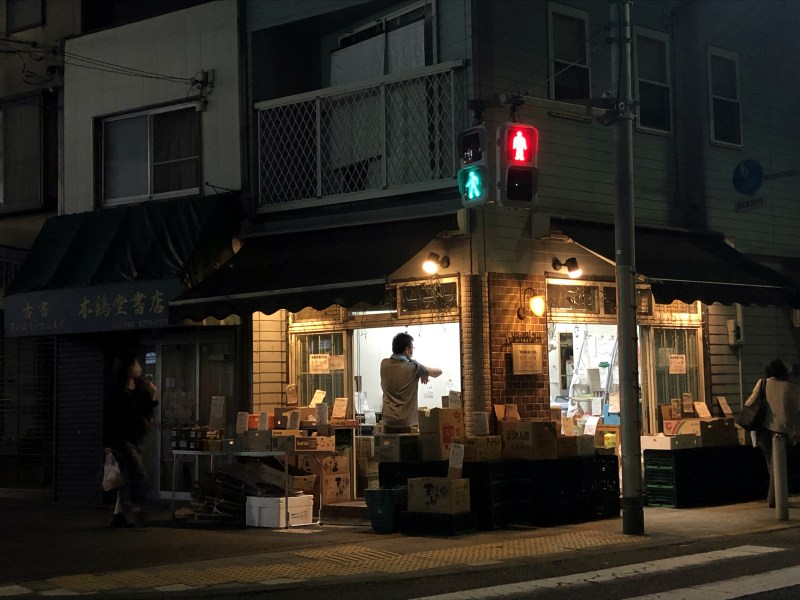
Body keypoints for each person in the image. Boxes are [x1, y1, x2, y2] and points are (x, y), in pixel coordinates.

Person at [103, 357, 158, 527]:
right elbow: (110, 417)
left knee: (128, 476)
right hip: (122, 439)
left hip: (136, 437)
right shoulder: (118, 391)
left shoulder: (139, 387)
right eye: (133, 363)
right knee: (139, 474)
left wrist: (153, 393)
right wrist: (108, 444)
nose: (137, 367)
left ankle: (123, 514)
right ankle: (136, 507)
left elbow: (146, 409)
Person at [744, 359, 800, 508]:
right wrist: (796, 432)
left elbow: (749, 403)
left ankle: (775, 498)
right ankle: (775, 500)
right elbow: (795, 412)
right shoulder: (790, 387)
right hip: (781, 431)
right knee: (779, 465)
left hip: (763, 430)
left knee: (772, 465)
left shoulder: (762, 383)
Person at [380, 332, 442, 433]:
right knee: (408, 448)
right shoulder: (413, 367)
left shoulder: (384, 364)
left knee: (391, 448)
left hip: (388, 422)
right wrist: (420, 368)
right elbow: (438, 372)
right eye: (412, 348)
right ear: (407, 349)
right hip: (407, 423)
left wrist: (420, 371)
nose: (412, 350)